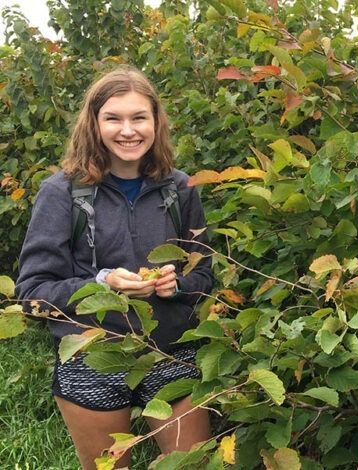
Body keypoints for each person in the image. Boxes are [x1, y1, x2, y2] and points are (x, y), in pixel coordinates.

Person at [15, 67, 214, 468]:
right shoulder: (62, 192)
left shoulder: (179, 189)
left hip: (170, 352)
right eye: (114, 118)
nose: (128, 130)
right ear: (94, 123)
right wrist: (103, 284)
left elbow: (205, 275)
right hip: (93, 358)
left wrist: (176, 285)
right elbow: (32, 293)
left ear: (156, 121)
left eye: (139, 117)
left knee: (194, 464)